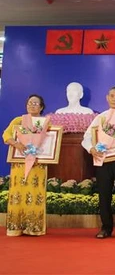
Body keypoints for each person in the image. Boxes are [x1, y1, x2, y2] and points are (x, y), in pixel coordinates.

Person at [81, 86, 115, 239]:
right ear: (107, 98)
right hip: (103, 161)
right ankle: (105, 228)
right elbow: (87, 138)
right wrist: (91, 149)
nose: (114, 99)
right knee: (104, 195)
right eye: (112, 96)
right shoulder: (100, 118)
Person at [2, 94, 48, 236]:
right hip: (19, 163)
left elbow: (50, 142)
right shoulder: (19, 120)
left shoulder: (45, 123)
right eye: (29, 103)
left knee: (35, 193)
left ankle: (33, 227)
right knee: (18, 193)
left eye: (35, 103)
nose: (32, 105)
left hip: (38, 164)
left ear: (41, 107)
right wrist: (17, 143)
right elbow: (6, 135)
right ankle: (15, 226)